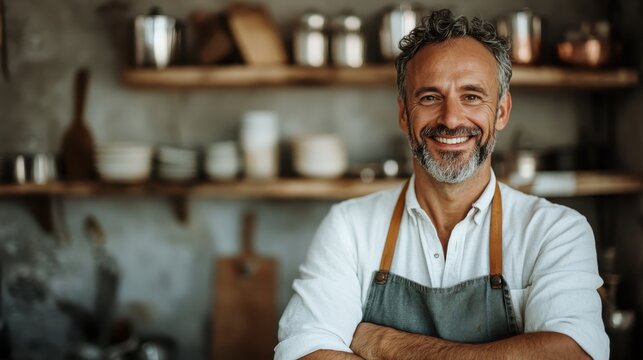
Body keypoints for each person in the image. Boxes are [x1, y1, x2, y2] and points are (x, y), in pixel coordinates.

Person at [275, 9, 609, 360]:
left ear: (501, 111)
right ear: (404, 113)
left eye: (472, 96)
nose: (451, 119)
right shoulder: (349, 227)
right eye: (430, 97)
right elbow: (305, 352)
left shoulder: (555, 232)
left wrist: (385, 344)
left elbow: (572, 354)